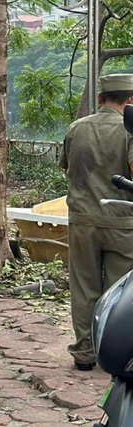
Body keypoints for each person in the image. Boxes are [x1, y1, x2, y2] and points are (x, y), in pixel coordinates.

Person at [60, 73, 133, 371]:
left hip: (83, 221)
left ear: (101, 98)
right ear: (130, 101)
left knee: (84, 286)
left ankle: (85, 353)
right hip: (123, 222)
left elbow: (67, 167)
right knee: (120, 292)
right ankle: (116, 354)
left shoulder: (77, 128)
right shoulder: (130, 130)